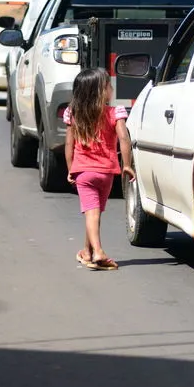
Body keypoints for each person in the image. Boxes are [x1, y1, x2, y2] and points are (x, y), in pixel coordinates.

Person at [63, 68, 136, 271]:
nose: (111, 89)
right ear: (100, 92)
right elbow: (124, 138)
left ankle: (98, 251)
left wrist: (70, 168)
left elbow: (69, 144)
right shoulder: (115, 113)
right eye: (108, 86)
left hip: (84, 172)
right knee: (94, 212)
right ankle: (87, 251)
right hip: (106, 173)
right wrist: (127, 164)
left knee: (91, 213)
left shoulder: (74, 114)